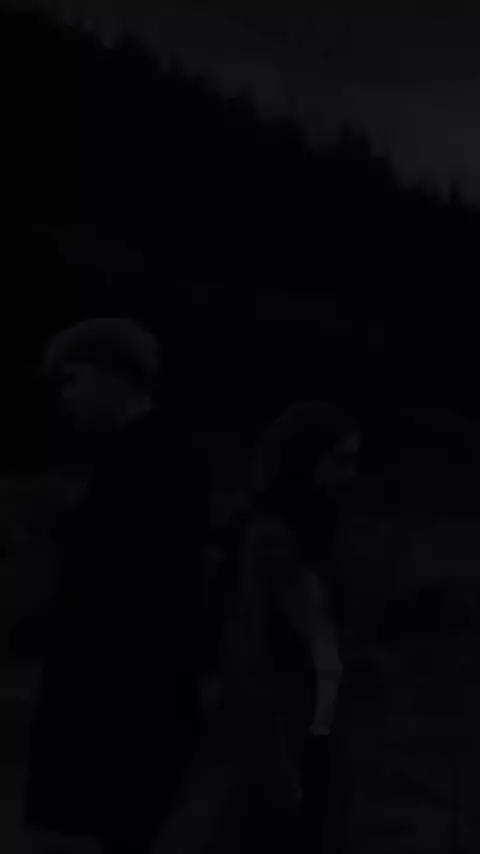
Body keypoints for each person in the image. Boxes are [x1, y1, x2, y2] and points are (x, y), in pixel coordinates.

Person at [24, 318, 209, 854]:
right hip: (125, 705)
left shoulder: (159, 462)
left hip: (134, 709)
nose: (64, 398)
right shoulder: (131, 457)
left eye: (73, 380)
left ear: (113, 376)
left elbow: (138, 595)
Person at [206, 402, 359, 854]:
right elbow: (289, 640)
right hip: (287, 715)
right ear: (306, 460)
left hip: (305, 714)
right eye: (341, 461)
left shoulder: (308, 526)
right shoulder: (275, 537)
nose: (351, 474)